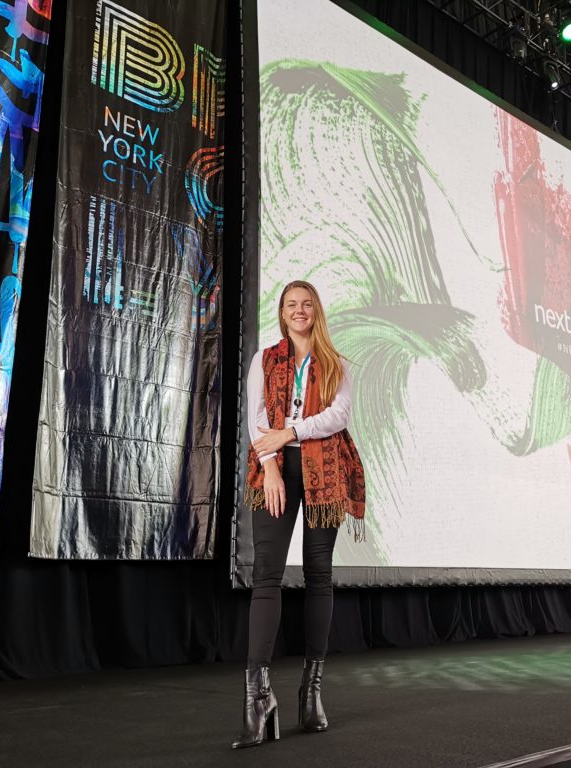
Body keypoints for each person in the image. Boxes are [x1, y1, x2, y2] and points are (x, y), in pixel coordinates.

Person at [232, 280, 366, 749]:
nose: (299, 310)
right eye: (291, 304)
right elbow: (255, 419)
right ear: (282, 312)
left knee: (318, 575)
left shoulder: (337, 363)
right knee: (265, 576)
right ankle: (257, 699)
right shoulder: (265, 359)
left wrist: (290, 432)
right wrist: (270, 467)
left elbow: (338, 416)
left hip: (325, 469)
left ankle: (311, 692)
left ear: (317, 311)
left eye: (306, 303)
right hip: (275, 468)